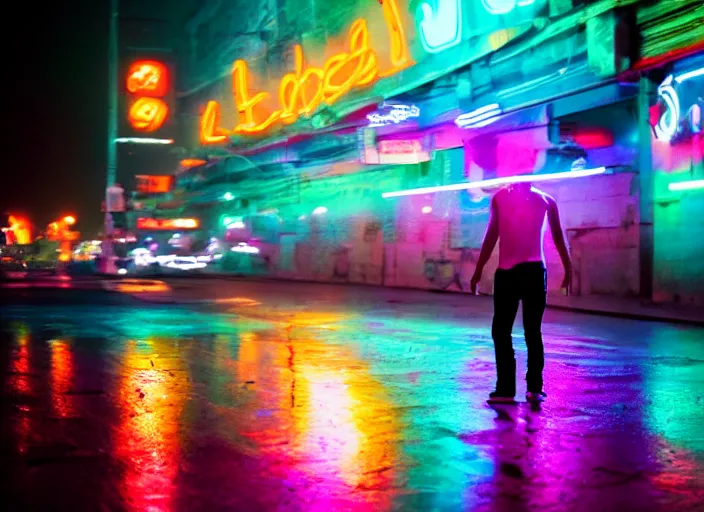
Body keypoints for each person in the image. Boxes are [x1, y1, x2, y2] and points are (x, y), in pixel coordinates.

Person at [470, 182, 571, 404]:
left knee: (502, 331)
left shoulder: (500, 198)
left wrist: (479, 269)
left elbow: (491, 235)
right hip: (534, 271)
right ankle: (534, 389)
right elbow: (558, 237)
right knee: (532, 332)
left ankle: (506, 389)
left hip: (508, 272)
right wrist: (568, 268)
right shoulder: (545, 199)